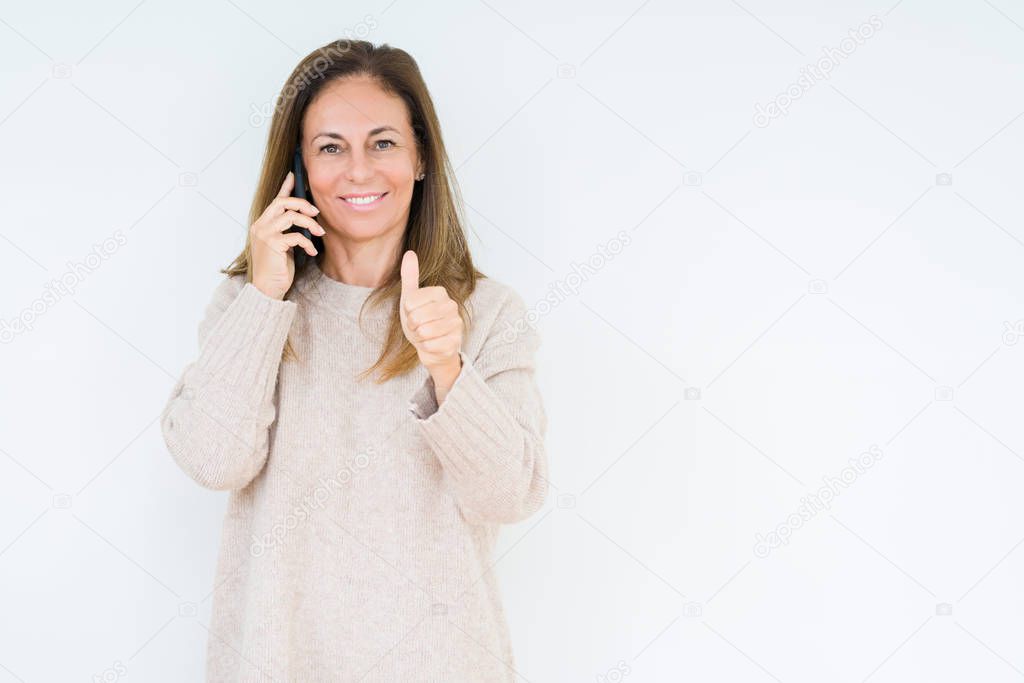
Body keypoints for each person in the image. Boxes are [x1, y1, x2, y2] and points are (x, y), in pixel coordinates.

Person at [160, 39, 549, 682]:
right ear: (301, 168)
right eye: (331, 147)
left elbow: (508, 495)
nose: (360, 170)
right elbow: (212, 459)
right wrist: (264, 297)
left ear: (422, 157)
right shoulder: (247, 305)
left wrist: (449, 368)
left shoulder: (488, 314)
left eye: (384, 142)